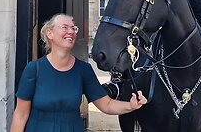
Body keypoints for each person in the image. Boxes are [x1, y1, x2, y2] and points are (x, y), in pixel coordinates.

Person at [11, 13, 147, 132]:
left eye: (73, 28)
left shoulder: (83, 70)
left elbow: (106, 104)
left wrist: (130, 105)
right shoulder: (34, 69)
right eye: (64, 27)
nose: (71, 31)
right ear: (49, 33)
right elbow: (20, 114)